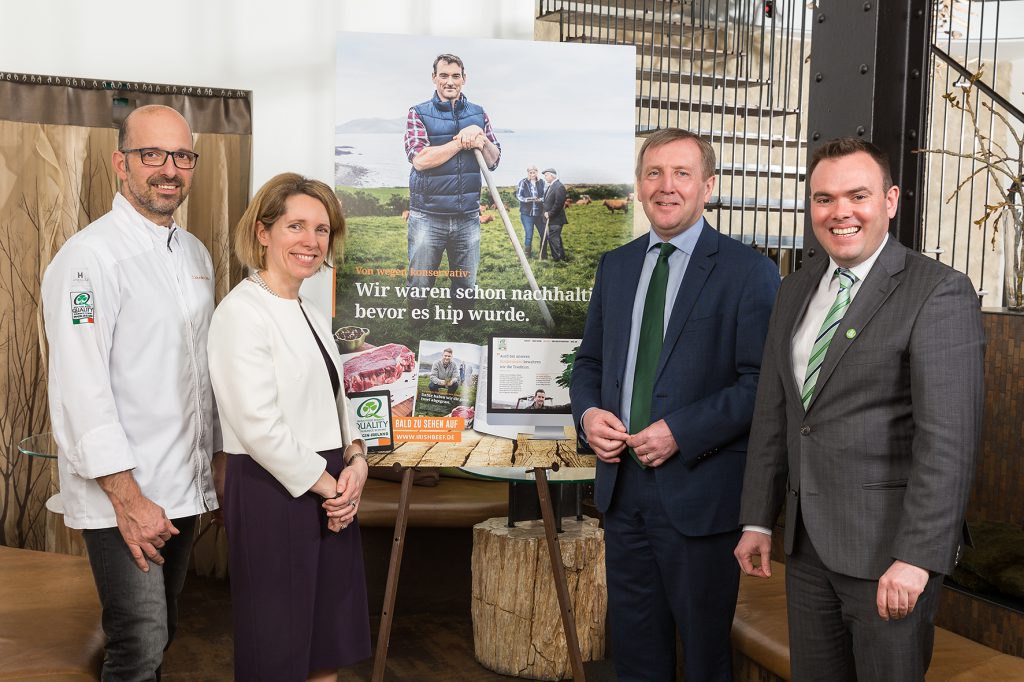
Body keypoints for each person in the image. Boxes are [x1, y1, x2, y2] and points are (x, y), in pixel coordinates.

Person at [735, 138, 984, 681]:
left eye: (857, 195)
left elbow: (948, 443)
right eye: (824, 199)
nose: (839, 212)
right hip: (806, 552)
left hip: (888, 557)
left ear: (891, 201)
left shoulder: (938, 291)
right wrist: (758, 517)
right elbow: (776, 413)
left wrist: (918, 558)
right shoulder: (796, 288)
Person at [571, 128, 780, 681]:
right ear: (639, 187)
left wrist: (680, 431)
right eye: (654, 173)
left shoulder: (748, 271)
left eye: (682, 174)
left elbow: (762, 384)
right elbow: (588, 364)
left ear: (707, 186)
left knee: (705, 657)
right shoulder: (616, 267)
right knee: (636, 652)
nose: (667, 187)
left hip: (699, 494)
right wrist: (588, 414)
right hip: (621, 491)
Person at [41, 104, 220, 679]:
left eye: (182, 156)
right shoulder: (88, 259)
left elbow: (198, 376)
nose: (169, 169)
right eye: (152, 155)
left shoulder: (195, 254)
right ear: (122, 163)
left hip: (184, 490)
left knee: (162, 630)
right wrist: (128, 499)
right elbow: (80, 387)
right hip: (127, 497)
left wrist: (211, 472)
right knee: (137, 646)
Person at [207, 173, 371, 681]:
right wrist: (330, 489)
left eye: (321, 230)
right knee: (276, 653)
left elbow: (338, 402)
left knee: (326, 648)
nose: (311, 241)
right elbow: (258, 426)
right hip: (272, 492)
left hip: (331, 488)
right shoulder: (241, 313)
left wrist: (358, 461)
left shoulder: (313, 313)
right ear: (263, 231)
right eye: (295, 225)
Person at [404, 53, 501, 304]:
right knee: (420, 280)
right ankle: (416, 323)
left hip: (468, 217)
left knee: (466, 282)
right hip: (427, 216)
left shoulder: (479, 113)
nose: (450, 81)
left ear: (464, 78)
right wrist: (460, 140)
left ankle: (465, 325)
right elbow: (420, 159)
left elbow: (493, 160)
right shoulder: (418, 113)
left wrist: (481, 136)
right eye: (444, 75)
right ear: (434, 78)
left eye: (455, 76)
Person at [516, 165, 546, 257]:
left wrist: (539, 200)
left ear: (537, 172)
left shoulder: (542, 182)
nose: (532, 174)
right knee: (529, 235)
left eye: (534, 172)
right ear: (528, 173)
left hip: (539, 214)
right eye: (530, 172)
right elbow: (518, 195)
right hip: (527, 214)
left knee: (543, 233)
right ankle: (527, 255)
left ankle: (543, 254)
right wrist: (527, 199)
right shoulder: (523, 182)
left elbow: (545, 196)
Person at [541, 168, 567, 262]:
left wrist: (550, 214)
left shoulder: (559, 186)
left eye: (546, 175)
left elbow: (558, 204)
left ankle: (557, 259)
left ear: (552, 175)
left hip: (556, 218)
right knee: (556, 238)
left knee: (553, 238)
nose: (545, 177)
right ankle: (561, 257)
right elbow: (548, 201)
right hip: (551, 218)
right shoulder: (551, 186)